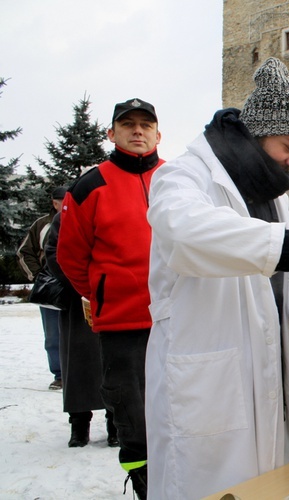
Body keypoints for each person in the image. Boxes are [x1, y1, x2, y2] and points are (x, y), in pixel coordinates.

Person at [144, 57, 289, 499]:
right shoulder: (185, 176)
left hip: (265, 368)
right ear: (256, 134)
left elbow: (278, 285)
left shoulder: (270, 196)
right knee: (210, 486)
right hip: (207, 371)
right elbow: (186, 232)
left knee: (266, 484)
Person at [57, 98, 163, 499]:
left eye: (145, 125)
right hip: (122, 325)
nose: (138, 131)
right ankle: (144, 486)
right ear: (112, 133)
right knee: (132, 417)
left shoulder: (178, 179)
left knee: (180, 406)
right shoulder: (89, 186)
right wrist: (103, 291)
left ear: (158, 133)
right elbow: (71, 256)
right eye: (128, 124)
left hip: (178, 319)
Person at [45, 209, 117, 448]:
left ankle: (117, 423)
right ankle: (79, 424)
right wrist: (84, 283)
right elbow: (54, 253)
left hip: (113, 296)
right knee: (77, 366)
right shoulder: (67, 214)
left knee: (115, 364)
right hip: (77, 300)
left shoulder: (113, 209)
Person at [17, 186, 66, 390]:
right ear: (55, 202)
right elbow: (24, 251)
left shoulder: (83, 217)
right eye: (63, 200)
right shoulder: (42, 225)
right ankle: (59, 374)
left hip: (78, 284)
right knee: (53, 334)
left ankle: (84, 373)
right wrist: (38, 276)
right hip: (50, 286)